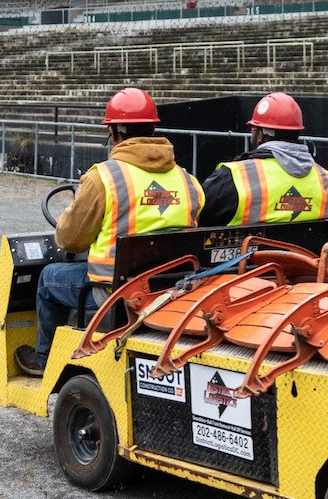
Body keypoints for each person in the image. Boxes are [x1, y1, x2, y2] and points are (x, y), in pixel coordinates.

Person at [16, 87, 202, 376]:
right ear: (153, 129)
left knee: (49, 279)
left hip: (113, 293)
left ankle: (45, 361)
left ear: (114, 132)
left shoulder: (103, 177)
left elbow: (69, 239)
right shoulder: (188, 180)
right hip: (172, 289)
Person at [198, 92, 328, 228]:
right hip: (305, 256)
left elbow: (201, 218)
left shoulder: (234, 177)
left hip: (247, 256)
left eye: (254, 130)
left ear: (262, 134)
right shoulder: (324, 178)